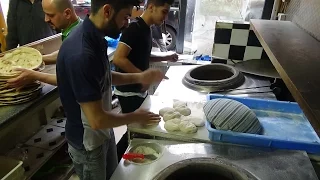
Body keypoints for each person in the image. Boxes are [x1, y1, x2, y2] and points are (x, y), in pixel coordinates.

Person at [56, 0, 164, 179]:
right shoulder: (82, 53)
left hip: (103, 133)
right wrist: (137, 116)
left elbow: (103, 78)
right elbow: (96, 120)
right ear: (107, 11)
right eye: (125, 17)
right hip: (88, 144)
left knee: (115, 176)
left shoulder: (96, 38)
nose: (127, 23)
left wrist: (139, 76)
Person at [112, 0, 177, 161]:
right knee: (137, 130)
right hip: (128, 90)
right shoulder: (134, 29)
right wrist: (142, 76)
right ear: (151, 7)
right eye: (164, 11)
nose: (166, 16)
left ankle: (123, 157)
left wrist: (166, 56)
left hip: (137, 88)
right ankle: (125, 161)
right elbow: (118, 58)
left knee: (138, 128)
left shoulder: (147, 29)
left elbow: (141, 55)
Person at [7, 0, 81, 88]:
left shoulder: (76, 39)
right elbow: (64, 53)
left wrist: (34, 75)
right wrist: (34, 60)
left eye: (51, 15)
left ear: (67, 13)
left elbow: (70, 80)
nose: (46, 19)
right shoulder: (74, 29)